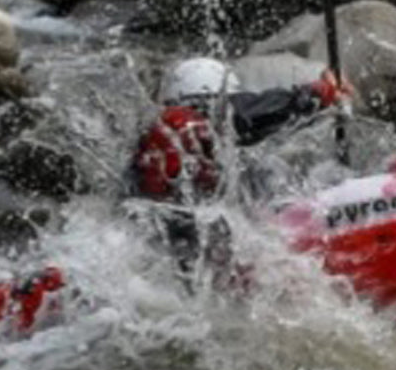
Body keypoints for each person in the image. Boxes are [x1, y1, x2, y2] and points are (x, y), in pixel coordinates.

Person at [129, 55, 352, 275]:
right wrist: (317, 94)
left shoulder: (149, 142)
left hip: (174, 255)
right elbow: (246, 114)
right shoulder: (183, 124)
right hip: (201, 250)